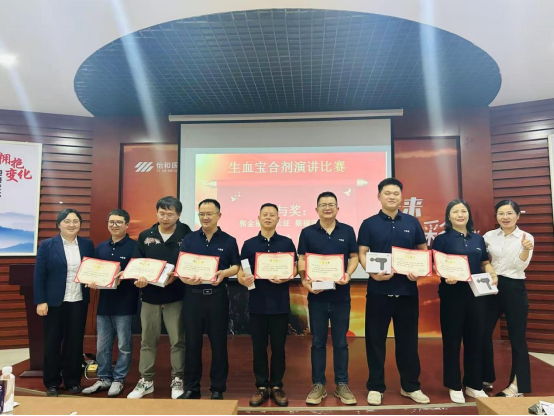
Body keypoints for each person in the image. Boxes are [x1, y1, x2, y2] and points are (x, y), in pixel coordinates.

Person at [358, 178, 430, 407]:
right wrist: (372, 273)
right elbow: (362, 253)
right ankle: (375, 387)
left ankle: (410, 386)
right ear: (379, 196)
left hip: (407, 292)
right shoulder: (368, 224)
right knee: (375, 341)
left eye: (396, 193)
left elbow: (422, 251)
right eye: (387, 193)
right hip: (378, 292)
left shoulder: (412, 222)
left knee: (408, 342)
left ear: (401, 197)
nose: (392, 197)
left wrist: (419, 271)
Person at [432, 199, 498, 404]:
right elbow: (436, 265)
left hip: (477, 294)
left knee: (476, 339)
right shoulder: (442, 239)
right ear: (448, 216)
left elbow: (484, 262)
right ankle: (454, 385)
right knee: (452, 341)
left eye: (463, 211)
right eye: (455, 211)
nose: (460, 215)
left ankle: (473, 384)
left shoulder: (478, 239)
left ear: (468, 214)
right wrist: (445, 275)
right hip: (452, 294)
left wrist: (492, 273)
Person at [298, 192, 359, 406]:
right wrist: (305, 280)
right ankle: (318, 385)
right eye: (323, 204)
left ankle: (342, 384)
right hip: (317, 298)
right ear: (316, 209)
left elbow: (354, 257)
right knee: (318, 343)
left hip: (341, 297)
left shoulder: (347, 231)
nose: (327, 207)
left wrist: (348, 274)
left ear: (337, 208)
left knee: (341, 342)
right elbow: (302, 259)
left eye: (331, 204)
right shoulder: (307, 232)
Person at [127, 197, 192, 400]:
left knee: (178, 340)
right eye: (162, 213)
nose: (165, 217)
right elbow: (137, 262)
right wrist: (138, 278)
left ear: (178, 215)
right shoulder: (146, 235)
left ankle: (177, 378)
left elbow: (191, 262)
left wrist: (178, 275)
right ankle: (146, 380)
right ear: (156, 213)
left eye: (170, 214)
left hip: (176, 296)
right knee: (147, 340)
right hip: (150, 296)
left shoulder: (187, 234)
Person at [178, 199, 240, 401]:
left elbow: (236, 266)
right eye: (202, 214)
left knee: (218, 344)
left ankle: (217, 388)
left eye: (209, 213)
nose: (205, 217)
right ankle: (192, 388)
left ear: (219, 215)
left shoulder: (229, 240)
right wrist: (186, 278)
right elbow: (181, 267)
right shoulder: (189, 239)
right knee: (192, 344)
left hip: (217, 297)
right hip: (193, 297)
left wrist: (224, 273)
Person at [238, 203, 298, 408]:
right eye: (265, 214)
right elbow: (242, 271)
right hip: (257, 303)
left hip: (280, 304)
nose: (268, 217)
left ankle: (277, 386)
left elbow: (295, 268)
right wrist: (243, 280)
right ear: (259, 218)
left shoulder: (287, 242)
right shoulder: (249, 244)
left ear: (278, 219)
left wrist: (288, 276)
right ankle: (262, 386)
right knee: (259, 347)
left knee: (279, 348)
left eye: (272, 214)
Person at [34, 209, 95, 397]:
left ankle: (73, 381)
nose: (71, 224)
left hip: (78, 301)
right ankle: (52, 382)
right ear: (59, 224)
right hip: (54, 303)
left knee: (74, 343)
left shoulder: (87, 245)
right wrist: (41, 301)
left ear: (80, 224)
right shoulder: (47, 245)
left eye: (76, 221)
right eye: (67, 221)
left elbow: (92, 269)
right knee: (52, 342)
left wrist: (95, 279)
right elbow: (39, 275)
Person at [83, 209, 138, 398]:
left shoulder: (134, 247)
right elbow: (94, 270)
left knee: (124, 345)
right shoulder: (101, 247)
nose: (115, 225)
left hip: (125, 303)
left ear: (127, 225)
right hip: (104, 303)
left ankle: (119, 379)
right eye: (111, 222)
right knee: (102, 345)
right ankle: (104, 377)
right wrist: (91, 280)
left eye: (119, 222)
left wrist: (127, 275)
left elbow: (138, 273)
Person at [483, 200, 534, 398]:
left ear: (517, 216)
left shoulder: (526, 238)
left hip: (515, 288)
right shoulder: (489, 236)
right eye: (501, 213)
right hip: (492, 286)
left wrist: (525, 249)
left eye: (510, 213)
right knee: (482, 332)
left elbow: (521, 266)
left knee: (517, 338)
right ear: (496, 216)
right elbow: (482, 260)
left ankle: (517, 386)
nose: (505, 217)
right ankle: (485, 377)